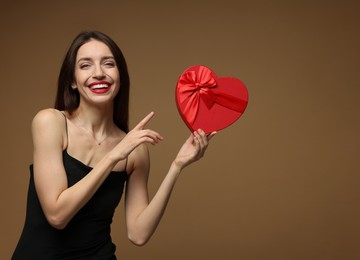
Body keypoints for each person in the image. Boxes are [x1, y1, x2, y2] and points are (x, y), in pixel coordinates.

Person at [12, 31, 216, 260]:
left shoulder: (135, 150)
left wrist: (176, 166)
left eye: (108, 64)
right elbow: (57, 215)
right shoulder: (50, 122)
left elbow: (138, 234)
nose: (98, 73)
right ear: (72, 81)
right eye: (85, 65)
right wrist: (112, 157)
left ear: (120, 77)